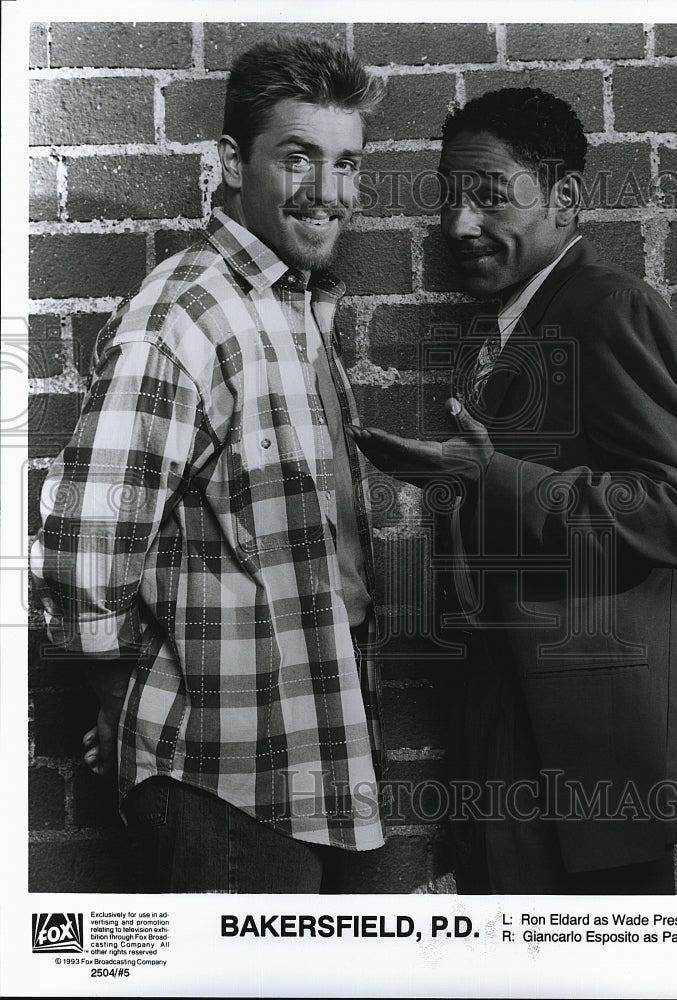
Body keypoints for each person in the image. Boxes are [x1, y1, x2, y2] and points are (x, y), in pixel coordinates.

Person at [347, 87, 677, 894]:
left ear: (564, 199)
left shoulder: (611, 308)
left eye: (487, 194)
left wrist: (494, 476)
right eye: (450, 197)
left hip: (593, 769)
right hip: (509, 745)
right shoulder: (505, 329)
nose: (458, 225)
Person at [31, 36, 386, 893]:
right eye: (298, 157)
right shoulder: (188, 312)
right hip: (223, 775)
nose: (327, 192)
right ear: (231, 162)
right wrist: (121, 700)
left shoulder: (292, 307)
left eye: (345, 164)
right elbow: (85, 540)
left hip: (306, 756)